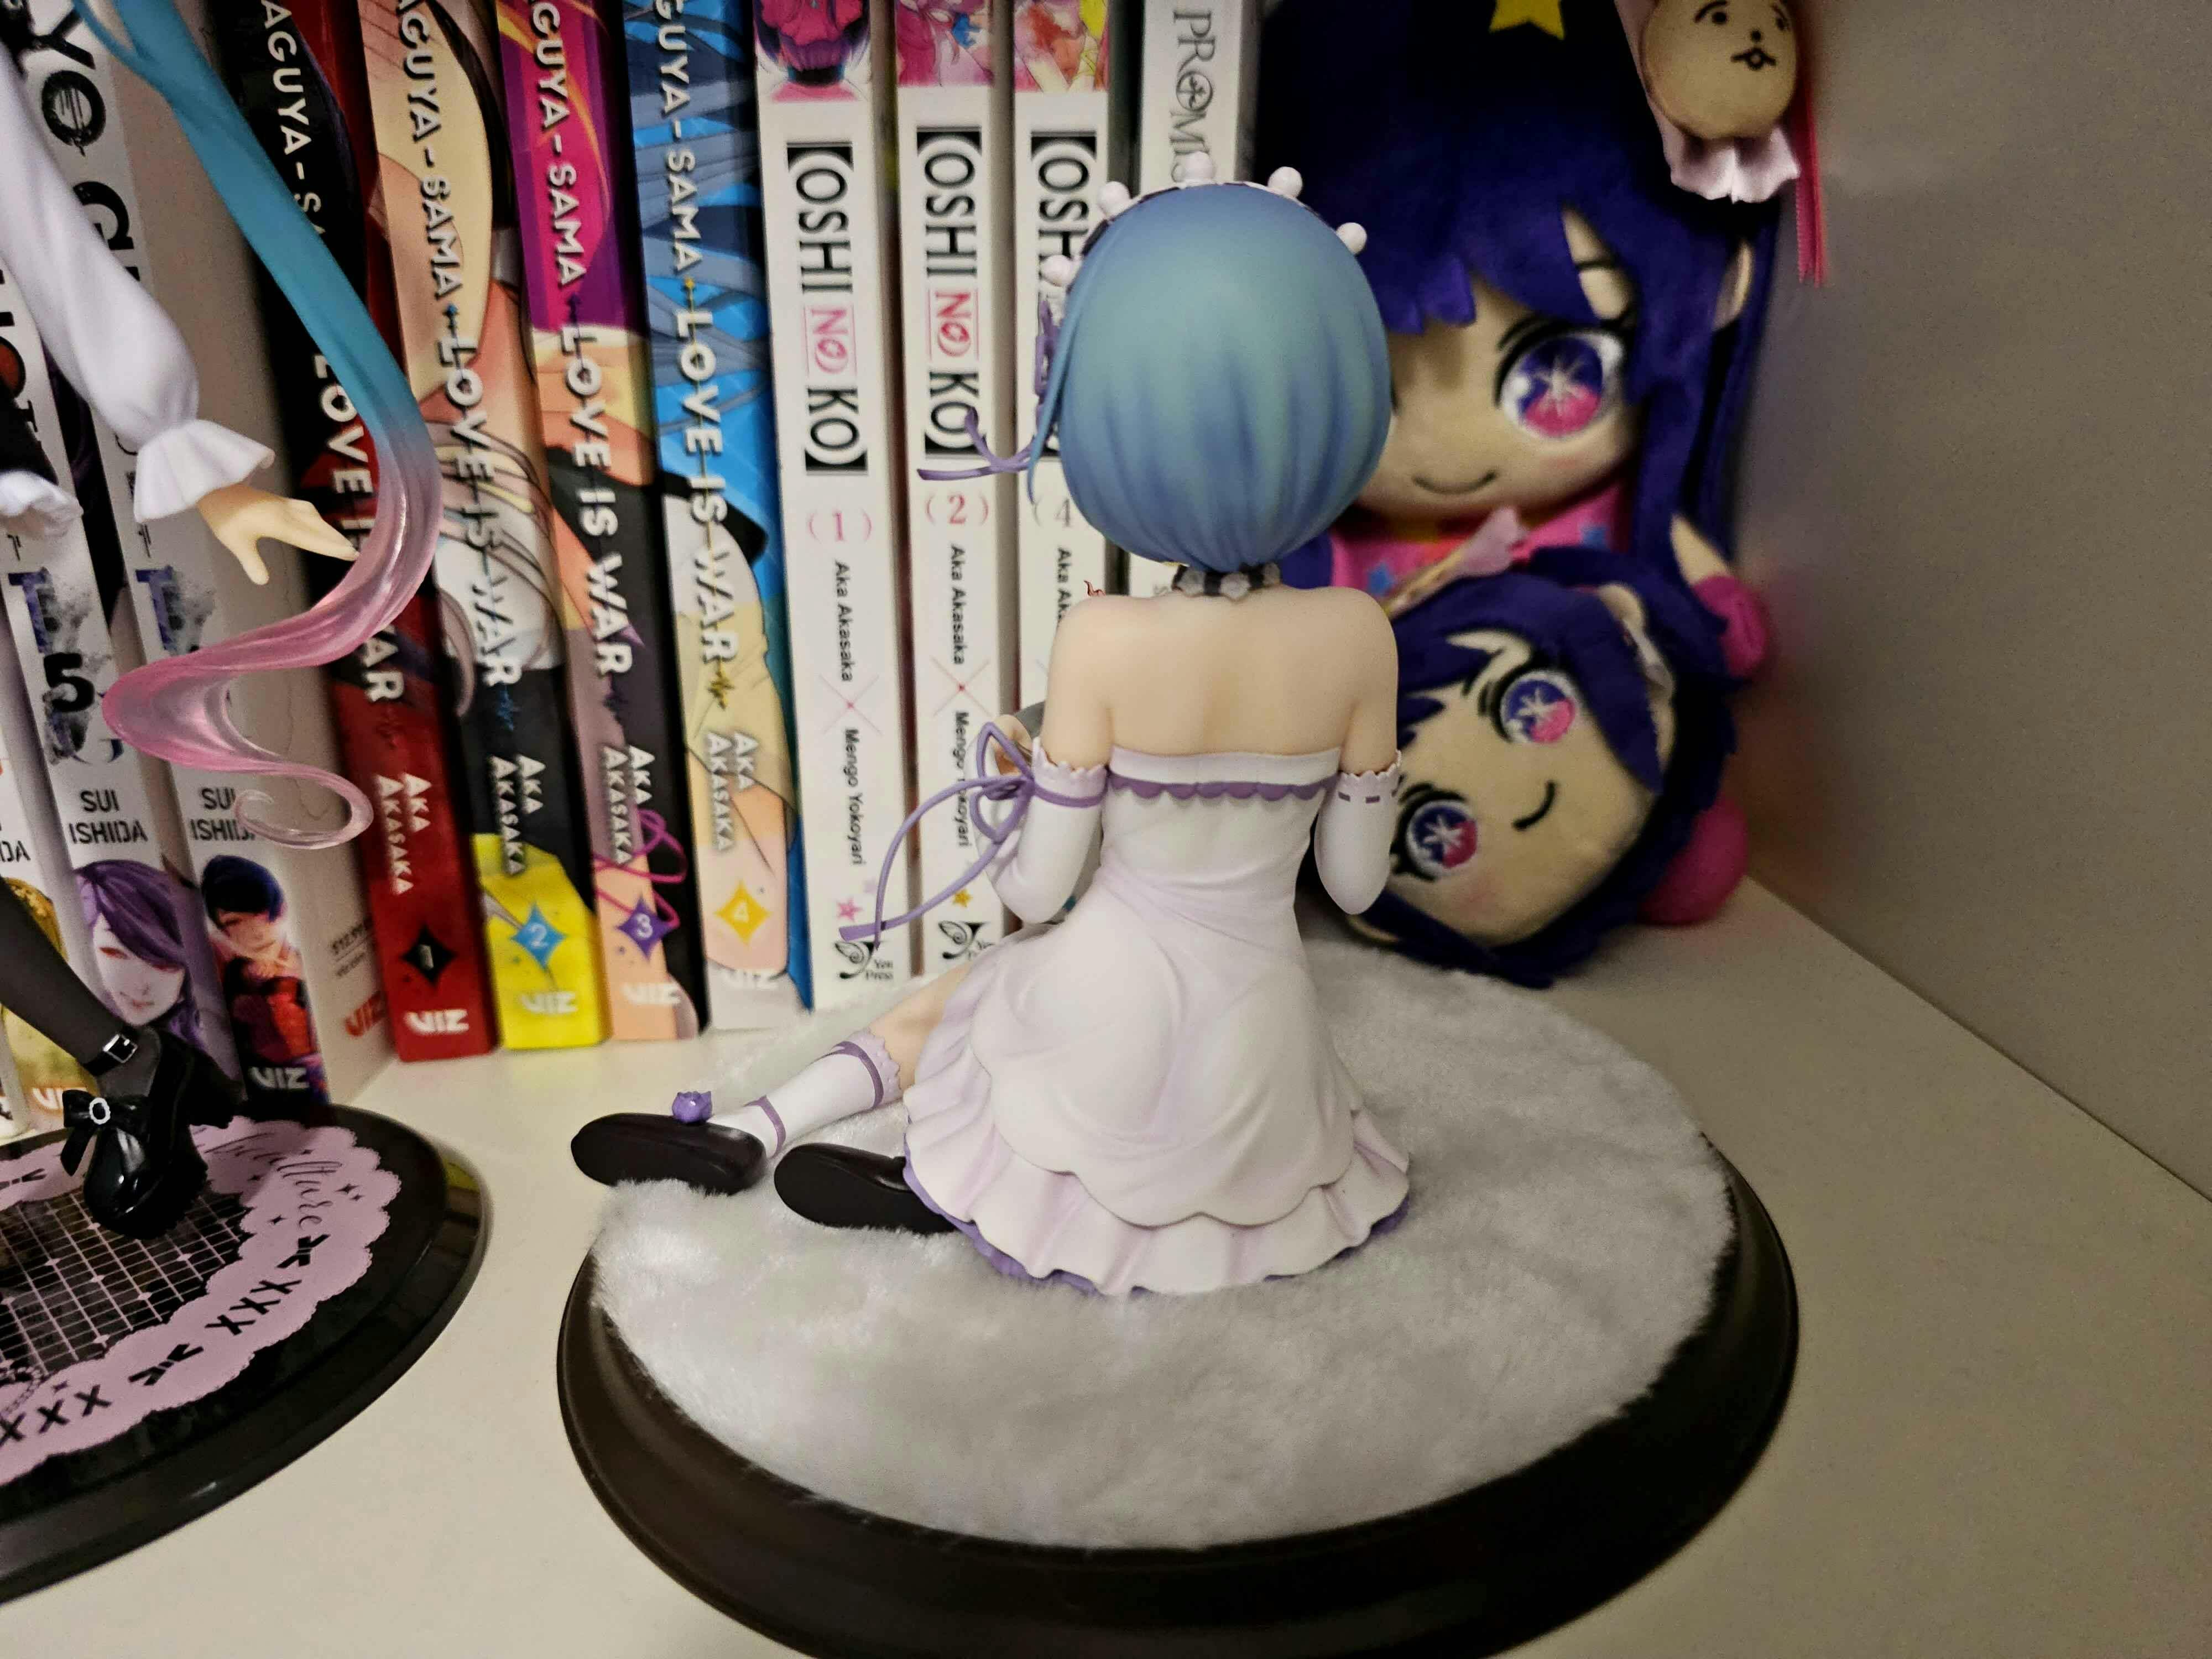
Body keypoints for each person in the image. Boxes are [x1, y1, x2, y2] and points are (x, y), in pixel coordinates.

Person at [576, 172, 1409, 1296]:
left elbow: (1037, 886)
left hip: (1113, 997)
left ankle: (769, 1131)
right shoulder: (1358, 636)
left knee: (977, 996)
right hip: (1266, 1045)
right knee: (1013, 1014)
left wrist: (1022, 791)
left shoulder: (1104, 637)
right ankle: (830, 1151)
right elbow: (1354, 885)